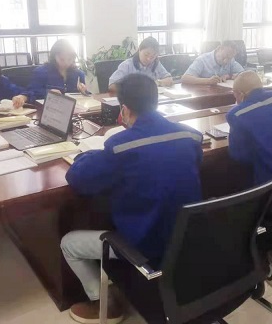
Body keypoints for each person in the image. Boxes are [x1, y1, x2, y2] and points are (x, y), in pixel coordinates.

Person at [61, 74, 203, 324]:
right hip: (189, 236)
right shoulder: (191, 136)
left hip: (148, 246)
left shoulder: (120, 145)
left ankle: (104, 304)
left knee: (69, 244)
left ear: (124, 110)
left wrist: (86, 156)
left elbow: (78, 178)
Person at [108, 37, 172, 93]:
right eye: (146, 54)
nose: (149, 59)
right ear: (139, 50)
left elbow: (169, 80)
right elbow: (112, 87)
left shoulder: (156, 64)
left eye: (153, 56)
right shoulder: (127, 65)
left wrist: (157, 82)